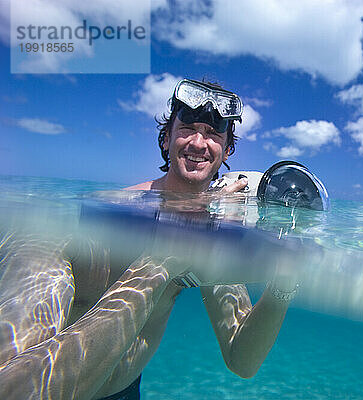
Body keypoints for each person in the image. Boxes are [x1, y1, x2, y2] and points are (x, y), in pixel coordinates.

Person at [0, 79, 298, 400]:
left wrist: (284, 282)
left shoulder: (212, 230)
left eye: (213, 134)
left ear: (227, 151)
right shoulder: (77, 223)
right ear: (167, 137)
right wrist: (165, 256)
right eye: (187, 128)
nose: (199, 142)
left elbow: (242, 359)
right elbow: (13, 389)